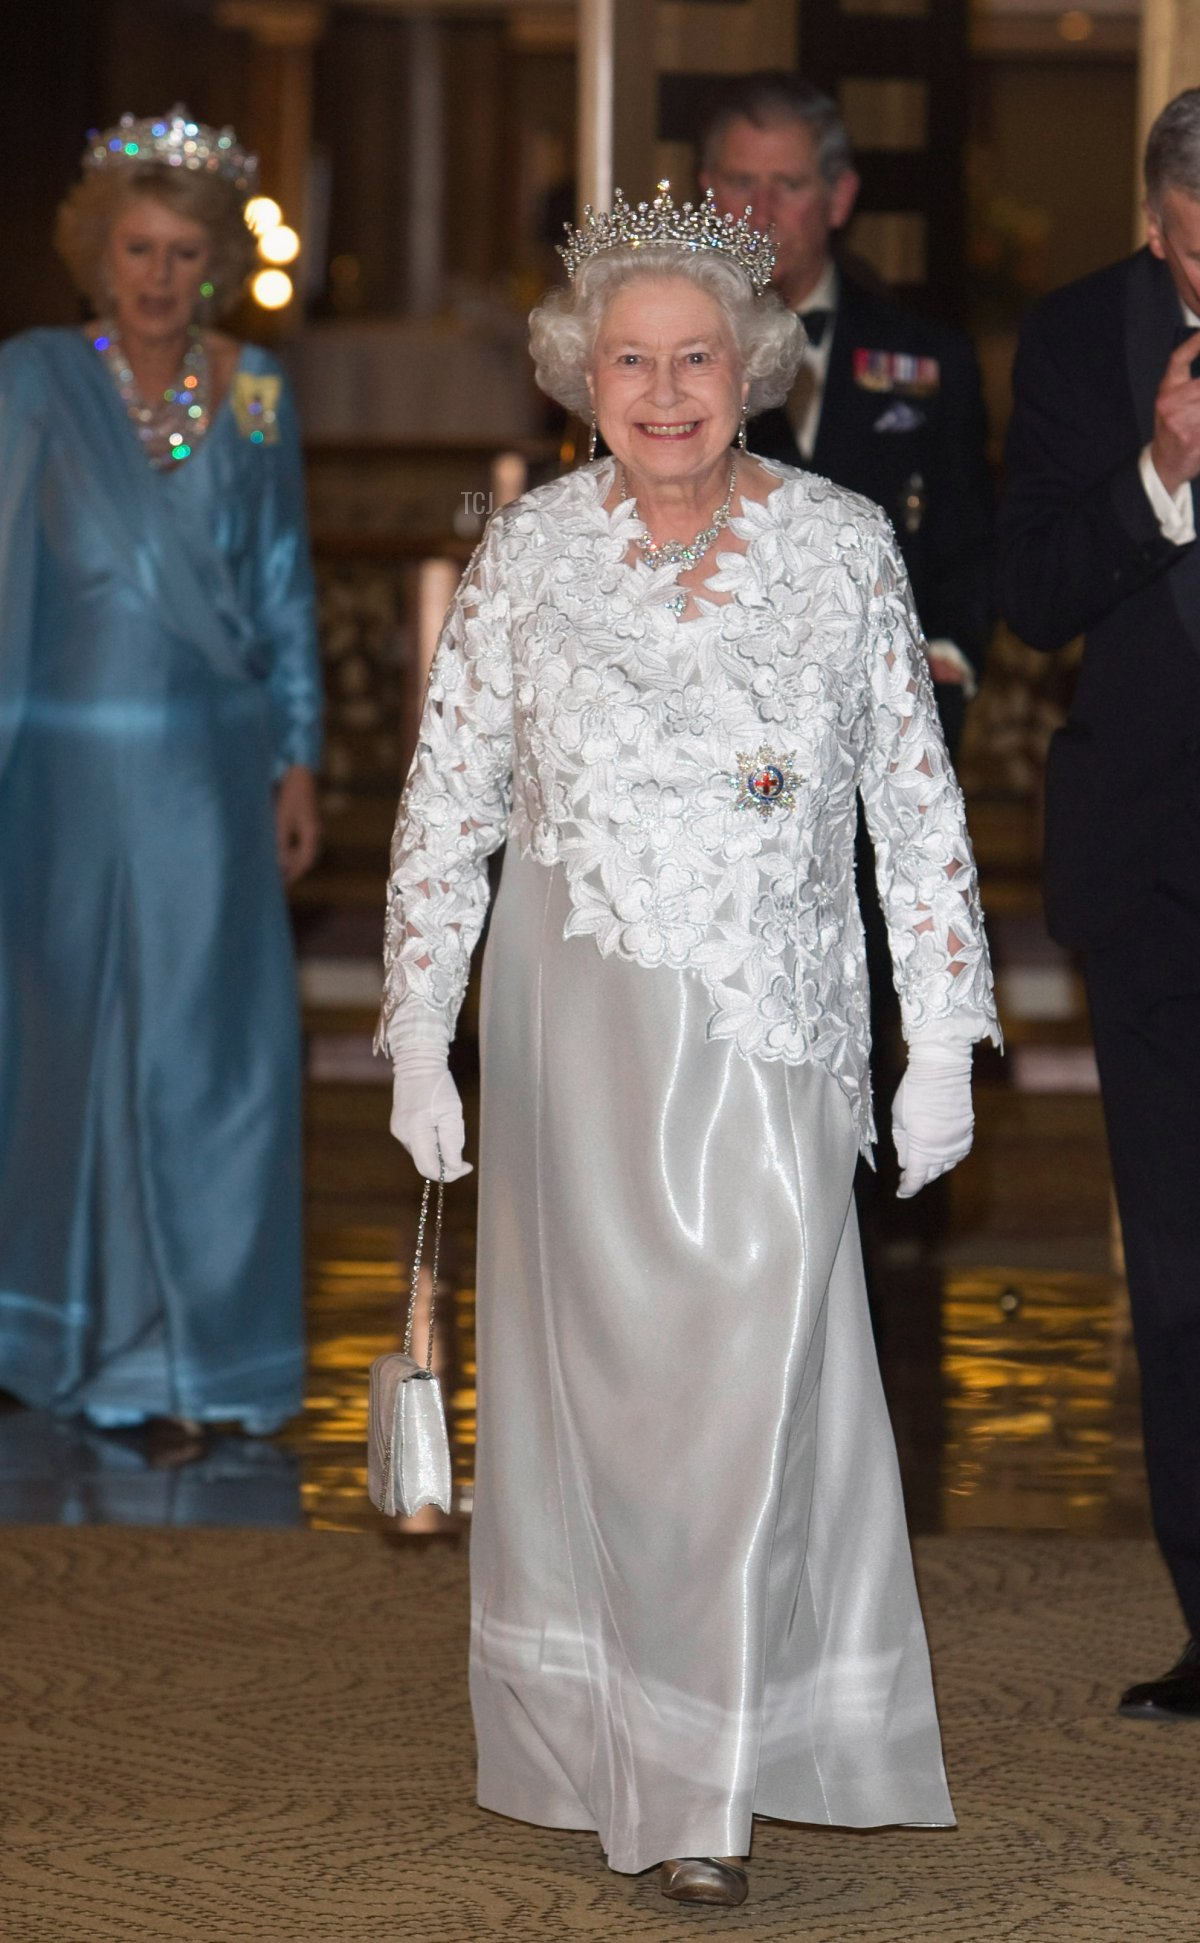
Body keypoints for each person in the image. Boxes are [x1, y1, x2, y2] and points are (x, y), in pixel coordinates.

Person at [379, 183, 999, 1904]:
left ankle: (712, 1764)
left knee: (754, 1393)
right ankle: (655, 1762)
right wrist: (421, 1033)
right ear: (583, 377)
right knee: (614, 1410)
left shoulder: (843, 545)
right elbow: (448, 807)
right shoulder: (530, 553)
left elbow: (914, 809)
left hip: (777, 1035)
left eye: (697, 359)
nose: (664, 392)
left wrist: (939, 1039)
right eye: (629, 361)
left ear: (758, 366)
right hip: (578, 1039)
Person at [0, 108, 323, 1450]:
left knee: (199, 1058)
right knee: (66, 1055)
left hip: (204, 772)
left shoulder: (253, 391)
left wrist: (300, 752)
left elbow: (285, 590)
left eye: (184, 252)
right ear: (96, 250)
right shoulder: (29, 380)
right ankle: (54, 1336)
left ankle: (191, 1354)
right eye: (137, 247)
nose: (157, 274)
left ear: (213, 264)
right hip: (60, 777)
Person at [997, 87, 1200, 1722]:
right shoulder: (1079, 343)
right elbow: (1033, 598)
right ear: (1157, 226)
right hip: (1157, 874)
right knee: (1190, 1268)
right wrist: (1161, 472)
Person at [701, 72, 994, 755]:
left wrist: (949, 653)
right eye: (742, 182)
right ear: (708, 190)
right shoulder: (659, 360)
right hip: (707, 722)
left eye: (790, 185)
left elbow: (969, 536)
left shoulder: (928, 360)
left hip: (879, 725)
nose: (761, 210)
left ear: (839, 198)